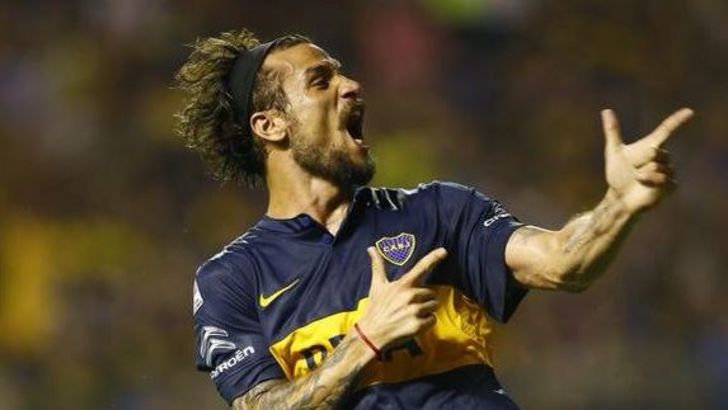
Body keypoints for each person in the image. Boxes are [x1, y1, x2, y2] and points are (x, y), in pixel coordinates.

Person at [173, 29, 693, 409]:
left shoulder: (437, 211)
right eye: (321, 80)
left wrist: (619, 204)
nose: (351, 85)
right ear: (269, 125)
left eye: (342, 73)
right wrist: (364, 341)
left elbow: (563, 262)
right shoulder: (233, 278)